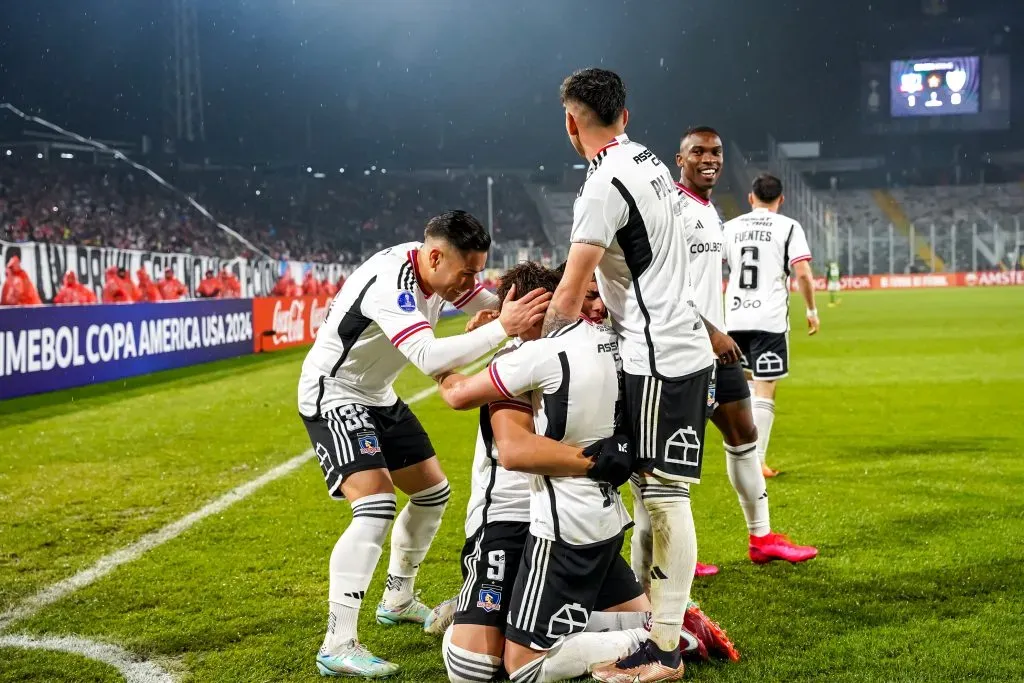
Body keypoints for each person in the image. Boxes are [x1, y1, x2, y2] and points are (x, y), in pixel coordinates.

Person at [432, 263, 736, 683]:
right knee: (473, 667)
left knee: (502, 665)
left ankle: (654, 636)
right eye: (586, 296)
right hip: (507, 520)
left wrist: (453, 353)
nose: (595, 307)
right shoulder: (523, 357)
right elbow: (515, 448)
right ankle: (486, 612)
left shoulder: (573, 349)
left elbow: (498, 433)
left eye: (599, 297)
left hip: (559, 521)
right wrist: (602, 460)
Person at [296, 210, 550, 677]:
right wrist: (501, 328)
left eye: (477, 270)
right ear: (434, 255)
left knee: (432, 493)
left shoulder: (441, 275)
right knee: (374, 505)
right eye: (466, 271)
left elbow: (491, 302)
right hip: (335, 392)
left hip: (377, 394)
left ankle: (398, 596)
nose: (471, 281)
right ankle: (338, 641)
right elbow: (429, 355)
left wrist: (538, 310)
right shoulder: (389, 282)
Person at [540, 67, 718, 682]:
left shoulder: (601, 183)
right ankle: (664, 623)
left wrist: (538, 361)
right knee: (655, 495)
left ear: (571, 122)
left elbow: (570, 289)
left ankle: (664, 645)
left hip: (655, 355)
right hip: (679, 345)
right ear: (626, 114)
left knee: (664, 498)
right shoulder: (643, 159)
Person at [669, 127, 817, 571]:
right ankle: (672, 554)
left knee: (745, 438)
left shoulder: (715, 213)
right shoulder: (673, 209)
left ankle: (762, 538)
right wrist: (708, 329)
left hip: (723, 345)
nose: (710, 158)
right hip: (684, 348)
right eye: (698, 152)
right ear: (681, 160)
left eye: (715, 152)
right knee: (672, 457)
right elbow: (665, 283)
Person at [723, 173, 819, 481]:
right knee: (766, 388)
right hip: (769, 320)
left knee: (746, 385)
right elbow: (802, 273)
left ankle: (741, 455)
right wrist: (812, 310)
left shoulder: (730, 227)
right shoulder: (788, 226)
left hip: (733, 319)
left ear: (750, 198)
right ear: (781, 199)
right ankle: (757, 460)